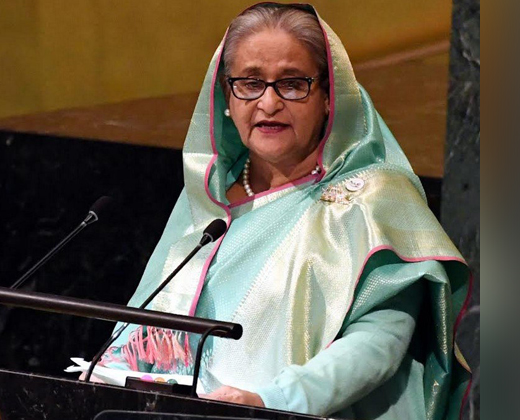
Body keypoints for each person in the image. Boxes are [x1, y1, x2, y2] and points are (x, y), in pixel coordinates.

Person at [91, 3, 472, 420]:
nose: (268, 103)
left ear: (328, 97)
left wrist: (272, 401)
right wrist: (106, 373)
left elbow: (380, 340)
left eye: (292, 84)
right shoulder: (206, 201)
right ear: (226, 97)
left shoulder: (374, 199)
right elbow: (147, 325)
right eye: (250, 83)